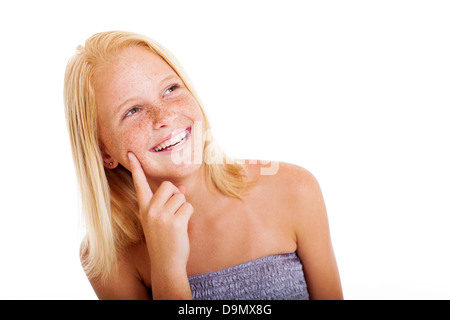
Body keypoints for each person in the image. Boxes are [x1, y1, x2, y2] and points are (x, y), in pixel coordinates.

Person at [64, 31, 343, 300]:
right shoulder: (108, 257)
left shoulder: (294, 190)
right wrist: (167, 268)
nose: (165, 116)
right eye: (133, 110)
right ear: (103, 152)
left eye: (171, 89)